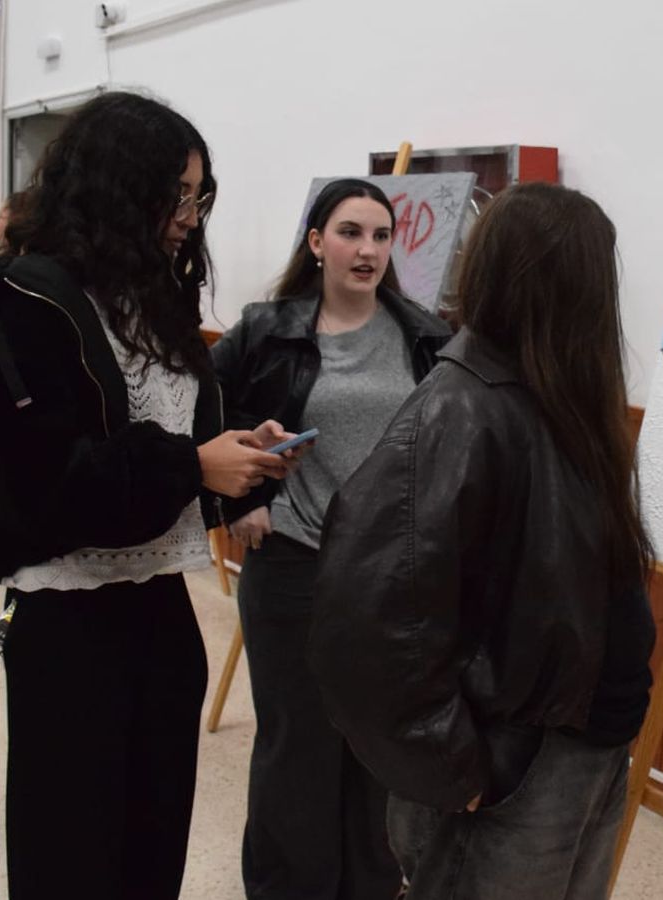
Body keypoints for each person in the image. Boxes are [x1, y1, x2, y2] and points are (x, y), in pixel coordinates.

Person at [0, 91, 293, 900]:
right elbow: (34, 485)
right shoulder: (11, 300)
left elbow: (175, 429)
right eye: (176, 195)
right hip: (68, 621)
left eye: (198, 197)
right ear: (117, 186)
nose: (189, 218)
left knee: (151, 850)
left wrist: (237, 454)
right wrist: (192, 466)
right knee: (71, 859)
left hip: (161, 607)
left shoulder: (156, 300)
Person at [311, 183, 659, 900]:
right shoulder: (459, 412)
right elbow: (365, 623)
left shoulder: (562, 397)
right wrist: (452, 767)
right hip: (516, 765)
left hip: (589, 744)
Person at [210, 178, 452, 900]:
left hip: (390, 574)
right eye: (350, 233)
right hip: (294, 563)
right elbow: (201, 418)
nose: (367, 249)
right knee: (299, 746)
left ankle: (371, 886)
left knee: (376, 745)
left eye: (381, 235)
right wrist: (243, 498)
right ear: (316, 243)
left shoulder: (425, 334)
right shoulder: (267, 329)